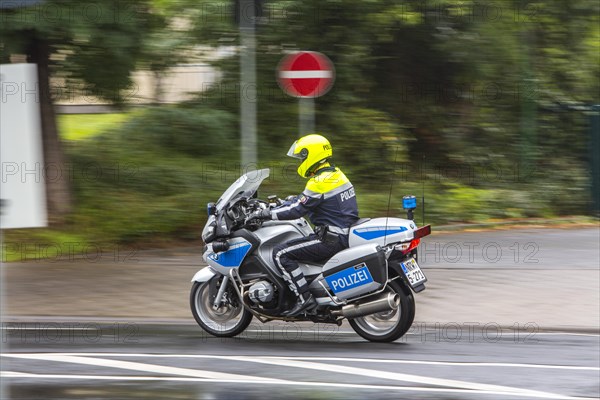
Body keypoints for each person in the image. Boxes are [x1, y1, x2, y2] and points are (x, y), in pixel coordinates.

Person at [250, 134, 359, 316]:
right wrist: (283, 203)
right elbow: (306, 201)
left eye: (302, 157)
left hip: (330, 239)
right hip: (342, 233)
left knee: (280, 254)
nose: (300, 161)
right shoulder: (336, 174)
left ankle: (304, 300)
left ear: (312, 155)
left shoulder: (319, 182)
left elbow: (296, 210)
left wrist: (266, 213)